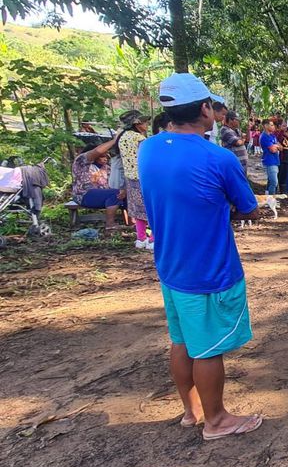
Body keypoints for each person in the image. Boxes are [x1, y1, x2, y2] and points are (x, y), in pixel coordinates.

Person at [139, 72, 262, 441]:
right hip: (208, 268)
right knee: (208, 347)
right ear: (206, 109)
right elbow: (249, 208)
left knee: (182, 341)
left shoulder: (149, 148)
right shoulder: (218, 158)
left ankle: (191, 412)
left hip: (170, 265)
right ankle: (217, 420)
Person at [71, 135, 126, 231]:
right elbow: (96, 151)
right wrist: (115, 140)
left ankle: (134, 224)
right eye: (102, 156)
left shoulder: (106, 167)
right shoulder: (81, 162)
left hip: (102, 196)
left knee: (125, 194)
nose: (106, 158)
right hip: (84, 195)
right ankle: (110, 224)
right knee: (116, 193)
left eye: (106, 155)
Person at [118, 110, 154, 249]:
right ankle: (153, 239)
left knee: (137, 208)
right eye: (144, 122)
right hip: (144, 177)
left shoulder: (122, 137)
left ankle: (141, 238)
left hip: (130, 177)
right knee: (151, 207)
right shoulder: (140, 139)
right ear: (137, 123)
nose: (147, 124)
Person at [220, 111, 249, 176]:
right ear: (230, 120)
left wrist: (248, 129)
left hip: (242, 163)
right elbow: (239, 142)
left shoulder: (236, 130)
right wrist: (243, 138)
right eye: (237, 120)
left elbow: (247, 140)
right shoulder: (225, 130)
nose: (239, 122)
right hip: (235, 164)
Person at [260, 118, 281, 196]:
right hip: (270, 161)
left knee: (270, 180)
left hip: (275, 160)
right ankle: (272, 198)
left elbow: (281, 147)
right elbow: (273, 150)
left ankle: (268, 196)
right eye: (271, 125)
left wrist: (276, 146)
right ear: (265, 126)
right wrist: (276, 146)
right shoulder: (264, 137)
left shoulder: (273, 136)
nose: (274, 127)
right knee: (274, 182)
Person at [277, 126, 288, 194]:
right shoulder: (279, 135)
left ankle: (284, 190)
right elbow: (278, 137)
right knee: (280, 174)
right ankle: (280, 190)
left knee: (285, 175)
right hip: (281, 158)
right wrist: (282, 131)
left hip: (287, 158)